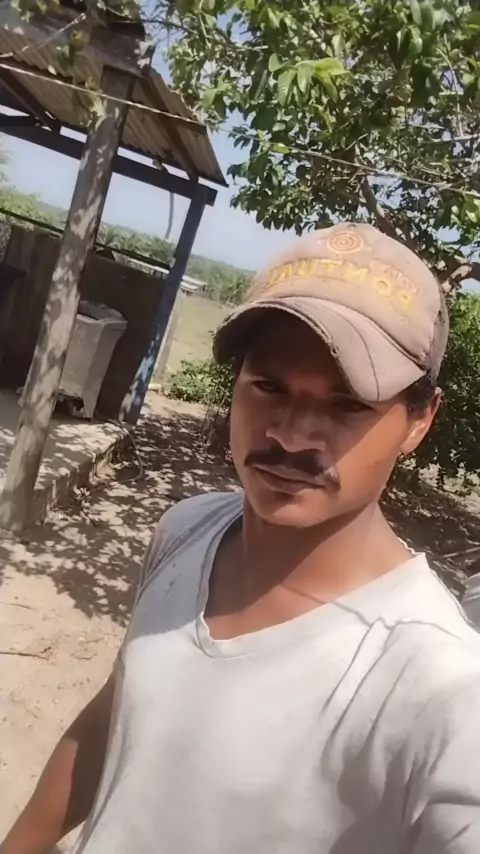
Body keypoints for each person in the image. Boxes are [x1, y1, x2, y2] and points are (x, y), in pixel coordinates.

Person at [3, 223, 480, 854]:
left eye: (348, 405)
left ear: (420, 421)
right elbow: (119, 715)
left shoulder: (440, 685)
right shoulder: (189, 530)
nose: (291, 436)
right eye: (269, 387)